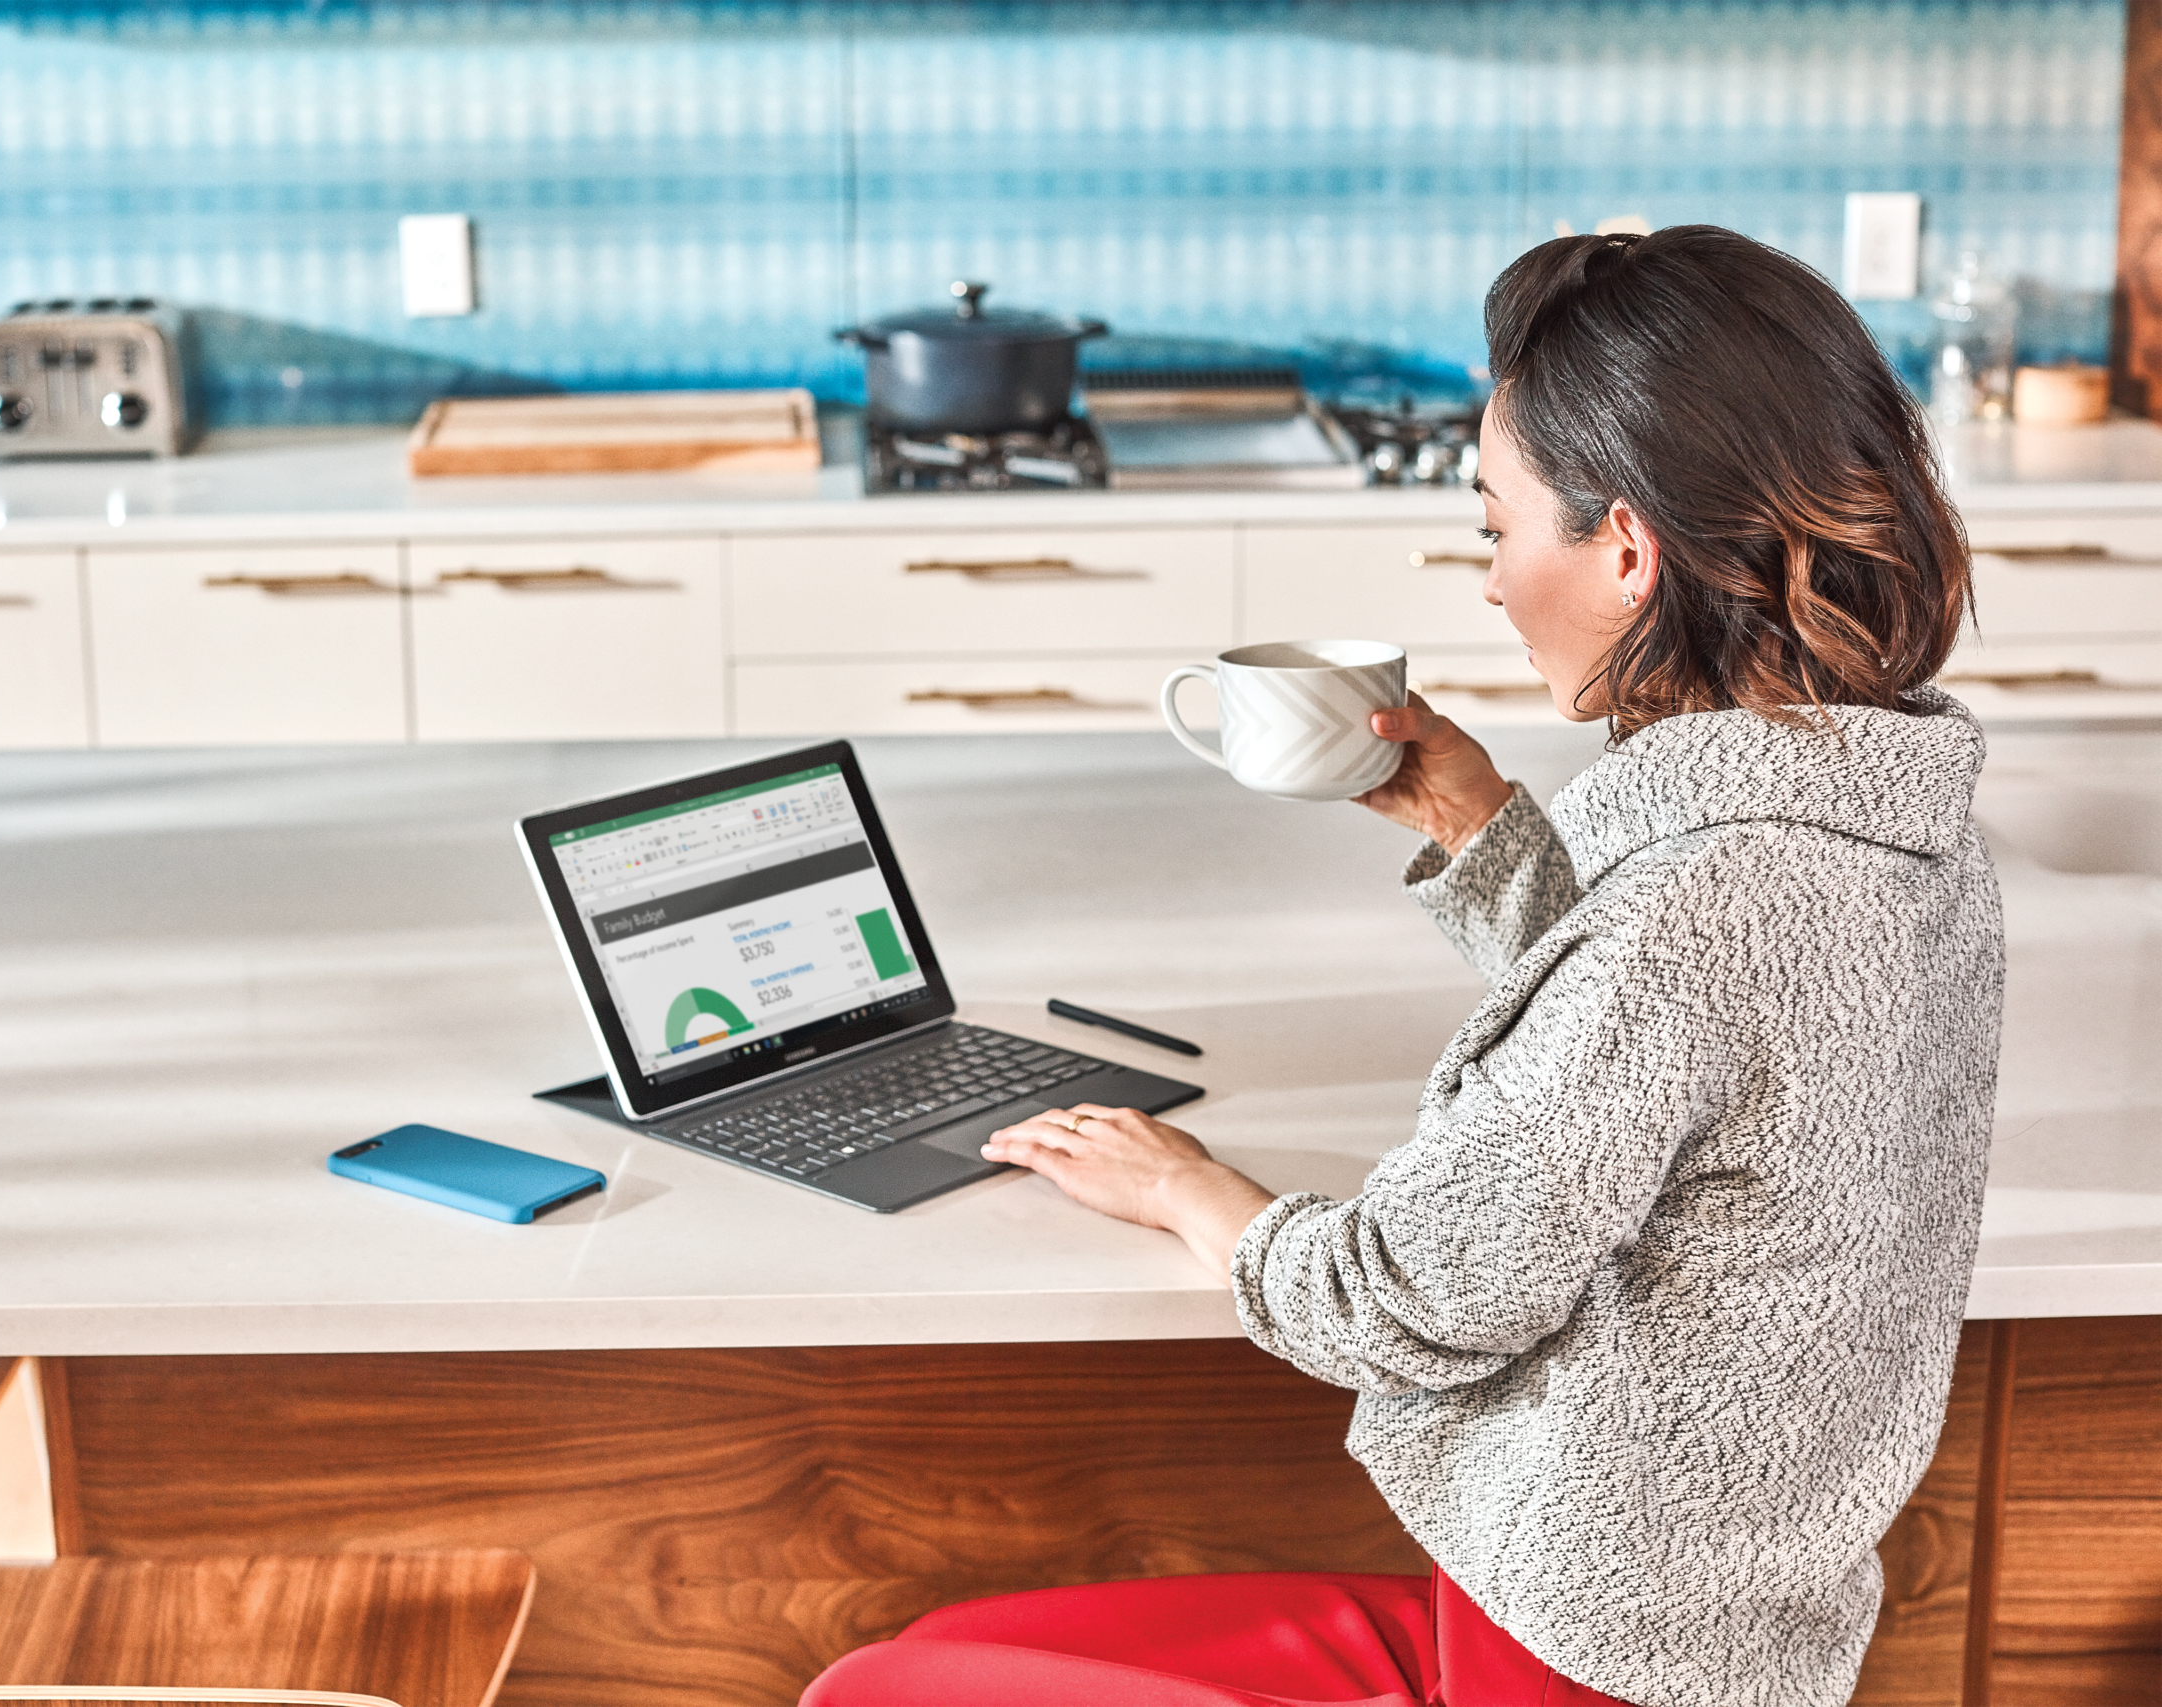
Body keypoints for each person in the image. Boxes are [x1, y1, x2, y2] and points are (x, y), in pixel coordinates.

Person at [800, 225, 2001, 1707]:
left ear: (1626, 550)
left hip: (1568, 1663)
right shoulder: (1887, 815)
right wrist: (1477, 826)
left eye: (1497, 527)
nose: (1493, 584)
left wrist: (1195, 1193)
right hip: (1708, 1633)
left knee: (870, 1690)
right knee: (914, 1663)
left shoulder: (1687, 915)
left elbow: (1408, 1298)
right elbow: (1708, 1045)